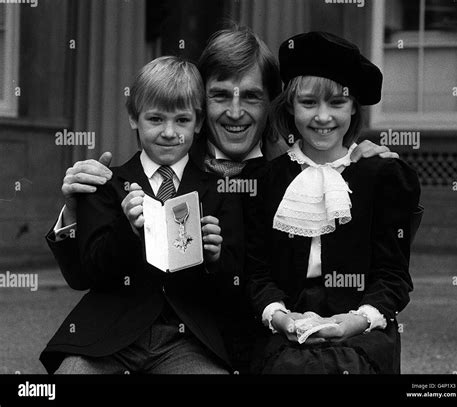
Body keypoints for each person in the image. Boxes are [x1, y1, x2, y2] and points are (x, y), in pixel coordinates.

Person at [44, 26, 399, 373]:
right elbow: (86, 270)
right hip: (136, 337)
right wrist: (74, 211)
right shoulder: (171, 154)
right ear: (200, 106)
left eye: (251, 96)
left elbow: (373, 260)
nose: (234, 111)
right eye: (219, 95)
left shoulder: (292, 177)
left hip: (242, 344)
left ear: (273, 102)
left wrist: (353, 165)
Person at [40, 56, 243, 374]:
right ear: (134, 118)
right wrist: (126, 230)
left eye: (182, 120)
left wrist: (217, 260)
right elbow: (88, 274)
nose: (168, 132)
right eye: (155, 119)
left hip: (185, 339)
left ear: (199, 122)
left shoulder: (219, 190)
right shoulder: (108, 184)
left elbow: (234, 286)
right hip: (109, 337)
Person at [243, 31, 421, 374]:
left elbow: (393, 277)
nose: (323, 117)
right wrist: (281, 318)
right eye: (309, 103)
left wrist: (354, 322)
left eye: (336, 103)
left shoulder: (379, 176)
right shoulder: (267, 181)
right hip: (288, 321)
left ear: (353, 106)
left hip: (359, 325)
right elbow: (257, 275)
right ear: (290, 105)